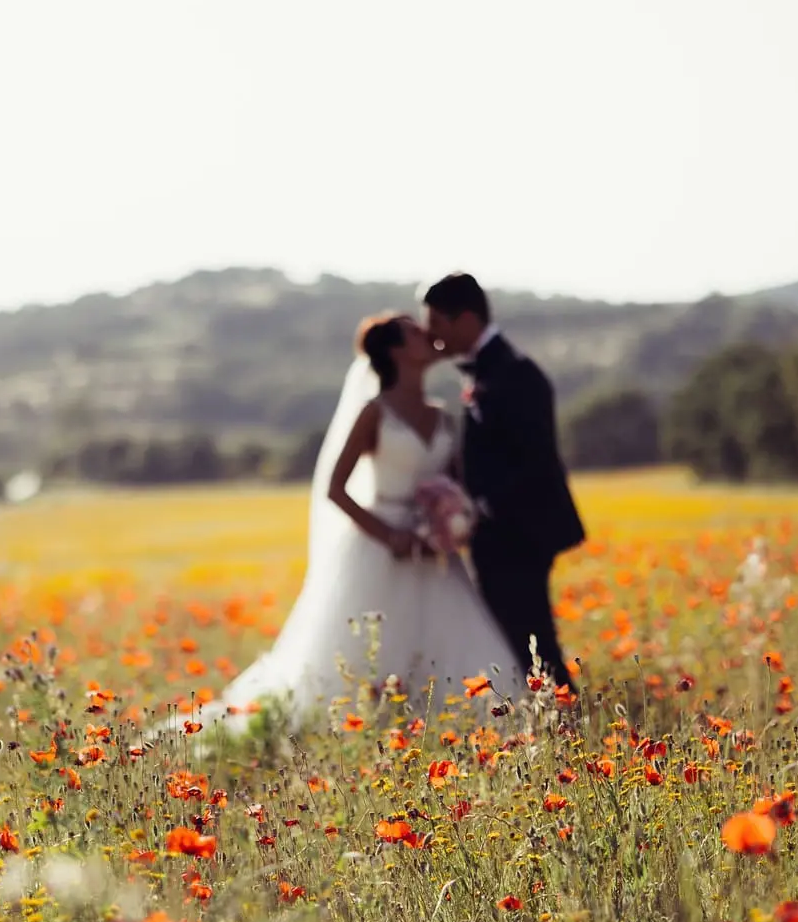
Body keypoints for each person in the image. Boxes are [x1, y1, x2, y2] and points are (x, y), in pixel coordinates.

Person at [165, 312, 524, 734]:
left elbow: (455, 485)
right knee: (365, 648)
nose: (426, 336)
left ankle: (450, 726)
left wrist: (452, 524)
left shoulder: (443, 417)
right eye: (413, 332)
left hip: (431, 550)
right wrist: (389, 534)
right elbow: (335, 487)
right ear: (394, 351)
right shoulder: (375, 413)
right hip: (379, 544)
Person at [422, 272, 586, 690]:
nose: (431, 335)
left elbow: (536, 461)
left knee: (533, 642)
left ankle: (570, 727)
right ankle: (554, 724)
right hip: (500, 536)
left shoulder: (517, 374)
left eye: (436, 323)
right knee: (518, 642)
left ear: (465, 320)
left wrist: (479, 507)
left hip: (520, 534)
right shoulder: (486, 372)